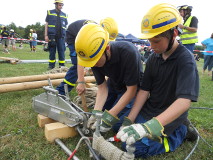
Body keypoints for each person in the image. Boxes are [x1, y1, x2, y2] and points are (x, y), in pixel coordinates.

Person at [116, 3, 199, 158]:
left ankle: (181, 132)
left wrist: (150, 127)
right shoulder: (154, 57)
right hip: (150, 110)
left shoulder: (185, 60)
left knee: (135, 147)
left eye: (156, 41)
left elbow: (184, 101)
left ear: (174, 34)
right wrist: (130, 120)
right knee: (118, 128)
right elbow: (144, 91)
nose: (151, 46)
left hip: (170, 117)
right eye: (149, 41)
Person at [75, 23, 143, 132]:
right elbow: (102, 88)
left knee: (116, 125)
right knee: (100, 115)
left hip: (132, 89)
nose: (93, 65)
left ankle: (141, 109)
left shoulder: (128, 52)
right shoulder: (94, 57)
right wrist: (96, 112)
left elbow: (131, 90)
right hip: (114, 85)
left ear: (107, 49)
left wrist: (110, 116)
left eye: (95, 62)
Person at [56, 18, 119, 96]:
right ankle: (61, 91)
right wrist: (81, 82)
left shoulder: (97, 33)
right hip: (72, 36)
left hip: (78, 33)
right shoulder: (92, 33)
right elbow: (80, 59)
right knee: (77, 66)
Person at [45, 0, 68, 70]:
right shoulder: (50, 12)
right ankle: (51, 66)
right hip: (52, 35)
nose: (61, 6)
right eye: (59, 5)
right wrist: (46, 35)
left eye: (62, 5)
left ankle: (62, 66)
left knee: (61, 51)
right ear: (56, 4)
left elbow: (65, 26)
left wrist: (66, 37)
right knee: (52, 51)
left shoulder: (64, 15)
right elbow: (46, 24)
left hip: (61, 36)